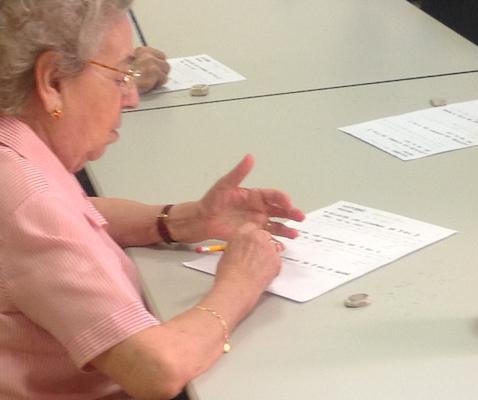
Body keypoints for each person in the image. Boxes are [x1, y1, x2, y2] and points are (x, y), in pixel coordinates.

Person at [0, 0, 305, 398]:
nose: (132, 98)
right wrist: (242, 281)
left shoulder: (16, 149)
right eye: (119, 76)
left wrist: (187, 220)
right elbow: (156, 369)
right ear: (53, 81)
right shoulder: (26, 197)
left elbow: (74, 216)